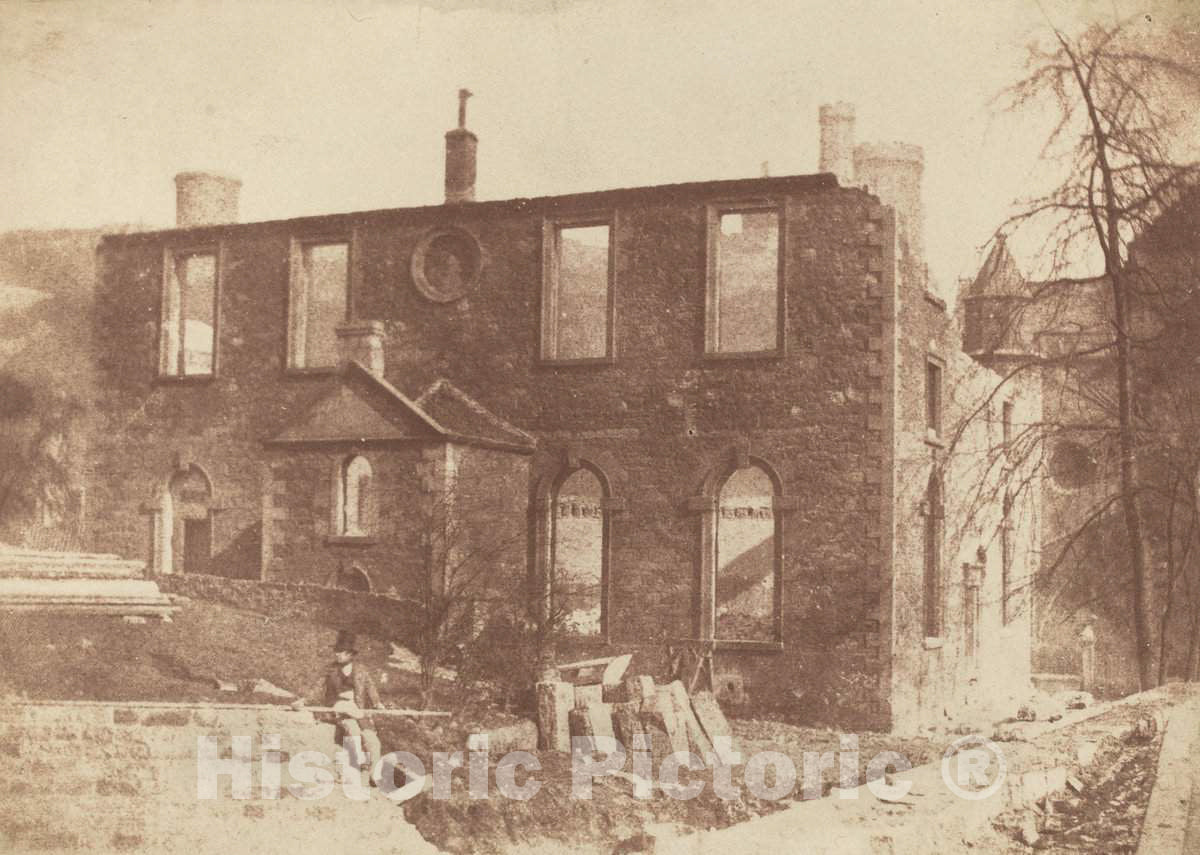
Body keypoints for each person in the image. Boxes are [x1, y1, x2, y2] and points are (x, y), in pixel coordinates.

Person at [293, 629, 385, 780]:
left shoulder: (361, 670)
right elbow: (317, 687)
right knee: (353, 730)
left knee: (372, 739)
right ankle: (357, 765)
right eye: (336, 651)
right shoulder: (330, 670)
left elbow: (370, 687)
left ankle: (375, 773)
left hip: (357, 709)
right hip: (338, 709)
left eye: (340, 652)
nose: (336, 654)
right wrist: (303, 701)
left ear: (350, 654)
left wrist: (377, 703)